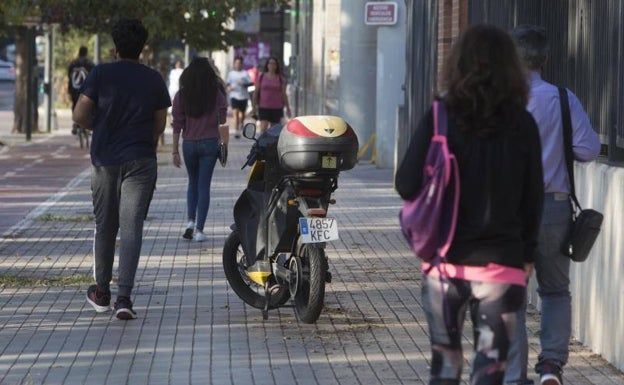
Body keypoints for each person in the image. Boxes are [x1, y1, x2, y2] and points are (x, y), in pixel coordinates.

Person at [395, 24, 544, 384]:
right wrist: (525, 256)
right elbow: (533, 198)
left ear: (457, 63)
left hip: (444, 265)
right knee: (491, 371)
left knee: (445, 367)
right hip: (502, 267)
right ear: (511, 67)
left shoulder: (440, 116)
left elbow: (405, 182)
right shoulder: (523, 123)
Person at [504, 25, 601, 385]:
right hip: (554, 208)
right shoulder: (563, 99)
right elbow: (589, 149)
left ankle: (514, 375)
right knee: (556, 290)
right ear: (545, 60)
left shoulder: (497, 101)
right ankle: (550, 368)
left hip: (508, 211)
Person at [72, 19, 171, 320]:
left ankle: (101, 292)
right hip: (141, 159)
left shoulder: (100, 74)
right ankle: (124, 299)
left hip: (105, 160)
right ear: (142, 49)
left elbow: (79, 115)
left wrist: (99, 127)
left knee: (106, 226)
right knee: (132, 229)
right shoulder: (154, 79)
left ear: (115, 49)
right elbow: (159, 125)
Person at [171, 57, 228, 242]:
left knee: (192, 183)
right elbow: (223, 118)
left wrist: (174, 151)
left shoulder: (181, 95)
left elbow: (177, 125)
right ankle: (200, 230)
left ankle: (189, 221)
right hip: (209, 143)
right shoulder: (215, 93)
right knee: (204, 186)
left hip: (188, 144)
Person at [252, 56, 291, 132]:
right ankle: (263, 143)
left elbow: (284, 94)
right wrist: (254, 107)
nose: (272, 65)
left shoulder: (280, 78)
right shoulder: (261, 77)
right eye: (270, 63)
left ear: (276, 66)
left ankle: (272, 144)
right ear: (267, 65)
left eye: (274, 64)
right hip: (264, 106)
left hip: (277, 107)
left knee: (274, 131)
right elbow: (256, 93)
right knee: (263, 127)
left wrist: (288, 108)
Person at [67, 46, 94, 135]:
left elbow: (69, 76)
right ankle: (86, 126)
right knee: (89, 104)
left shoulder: (73, 63)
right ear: (86, 53)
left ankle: (75, 124)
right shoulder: (89, 63)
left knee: (75, 104)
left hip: (74, 89)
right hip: (87, 89)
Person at [226, 56, 252, 138]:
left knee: (241, 114)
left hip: (243, 96)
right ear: (234, 64)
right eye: (236, 63)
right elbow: (227, 84)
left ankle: (241, 123)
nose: (238, 65)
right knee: (235, 113)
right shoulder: (231, 74)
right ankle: (236, 131)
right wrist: (228, 87)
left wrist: (243, 85)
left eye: (239, 63)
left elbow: (251, 83)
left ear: (241, 64)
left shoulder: (245, 73)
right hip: (234, 95)